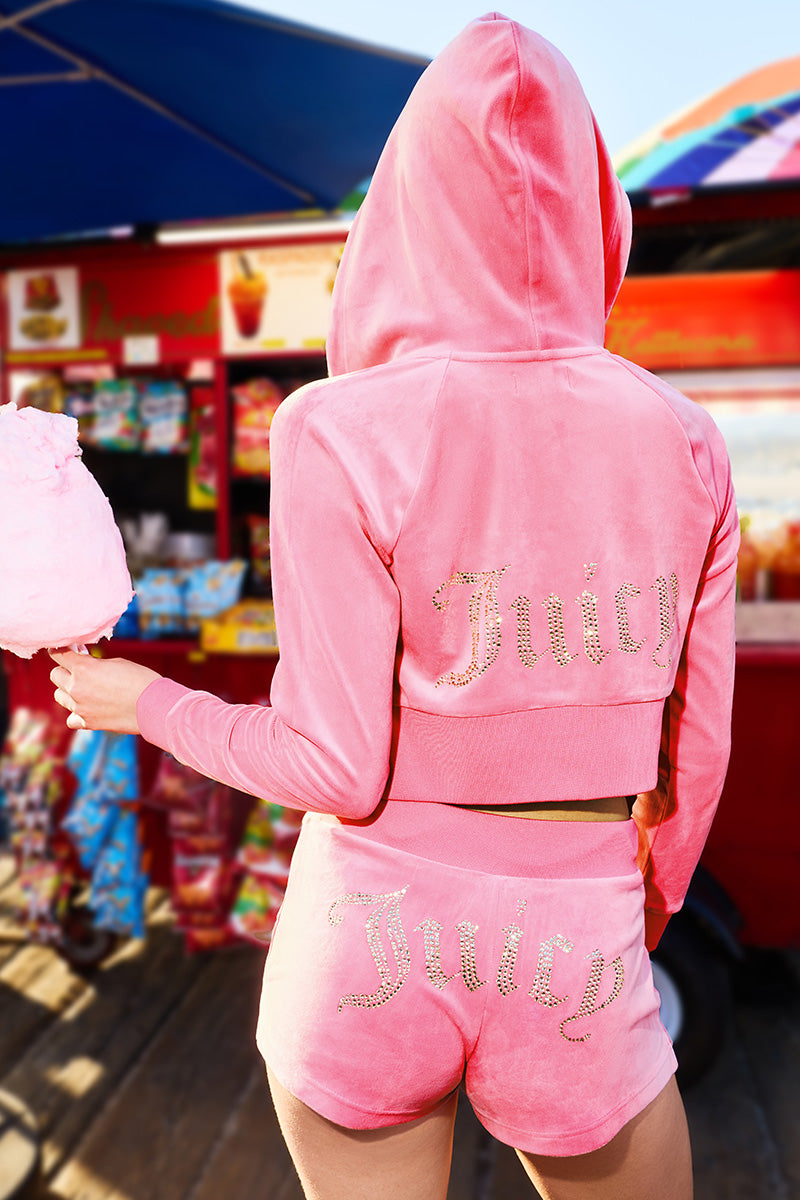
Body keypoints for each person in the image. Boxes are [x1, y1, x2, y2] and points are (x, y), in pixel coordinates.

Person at [50, 14, 738, 1199]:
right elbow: (698, 755)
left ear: (402, 210)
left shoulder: (335, 426)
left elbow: (334, 767)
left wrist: (144, 701)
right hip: (570, 940)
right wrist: (632, 908)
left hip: (365, 938)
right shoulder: (682, 441)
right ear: (592, 203)